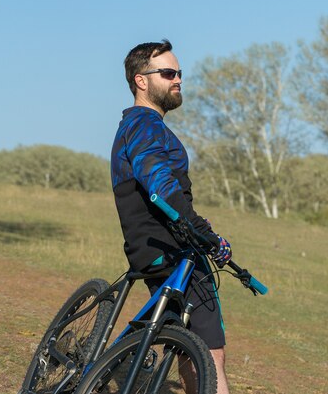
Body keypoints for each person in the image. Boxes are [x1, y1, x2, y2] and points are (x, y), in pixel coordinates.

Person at [111, 39, 232, 393]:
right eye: (167, 72)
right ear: (141, 80)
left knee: (187, 346)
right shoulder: (145, 125)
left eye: (179, 72)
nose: (177, 79)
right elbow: (160, 186)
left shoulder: (136, 126)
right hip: (175, 251)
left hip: (152, 247)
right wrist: (206, 236)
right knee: (210, 355)